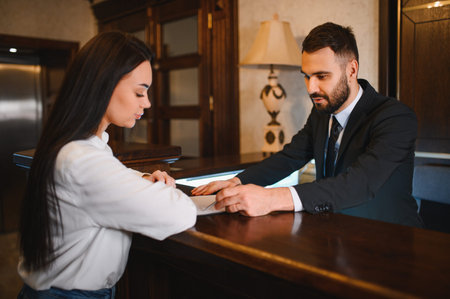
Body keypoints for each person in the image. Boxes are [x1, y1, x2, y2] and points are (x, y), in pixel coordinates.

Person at [17, 31, 196, 298]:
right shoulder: (81, 159)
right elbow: (179, 214)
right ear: (104, 84)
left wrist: (143, 180)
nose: (147, 103)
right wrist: (160, 191)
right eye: (139, 92)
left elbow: (109, 179)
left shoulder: (79, 145)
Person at [192, 22, 422, 227]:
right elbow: (290, 157)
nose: (310, 88)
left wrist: (271, 198)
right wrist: (236, 181)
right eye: (306, 75)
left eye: (321, 76)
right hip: (335, 234)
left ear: (351, 70)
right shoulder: (322, 112)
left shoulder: (395, 118)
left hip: (392, 241)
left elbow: (360, 184)